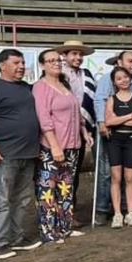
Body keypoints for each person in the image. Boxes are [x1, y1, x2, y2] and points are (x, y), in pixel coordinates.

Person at [0, 48, 42, 260]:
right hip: (4, 155)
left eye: (23, 62)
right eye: (16, 63)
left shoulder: (27, 88)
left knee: (22, 199)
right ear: (3, 65)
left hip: (28, 154)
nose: (21, 66)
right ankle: (1, 243)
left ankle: (17, 237)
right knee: (1, 200)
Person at [33, 49, 93, 243]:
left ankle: (65, 227)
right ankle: (48, 231)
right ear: (42, 65)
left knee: (66, 188)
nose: (56, 63)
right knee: (48, 189)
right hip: (52, 147)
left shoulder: (64, 85)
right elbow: (44, 119)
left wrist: (84, 133)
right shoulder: (40, 87)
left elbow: (76, 113)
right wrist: (54, 145)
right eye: (50, 61)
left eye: (57, 60)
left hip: (73, 145)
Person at [93, 50, 132, 225]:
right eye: (130, 61)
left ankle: (128, 208)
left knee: (129, 173)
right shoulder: (107, 79)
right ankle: (103, 209)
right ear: (119, 62)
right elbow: (100, 101)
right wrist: (102, 123)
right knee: (108, 172)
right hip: (111, 132)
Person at [53, 40, 96, 224]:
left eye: (80, 55)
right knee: (56, 173)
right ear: (65, 56)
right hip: (59, 130)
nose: (78, 58)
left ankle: (69, 212)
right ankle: (53, 213)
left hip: (80, 128)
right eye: (74, 54)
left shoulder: (87, 75)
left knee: (73, 173)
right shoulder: (56, 75)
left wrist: (86, 128)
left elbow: (89, 102)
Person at [105, 67, 132, 228]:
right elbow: (108, 122)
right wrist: (130, 116)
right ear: (115, 82)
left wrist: (118, 119)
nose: (123, 80)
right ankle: (117, 214)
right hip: (115, 141)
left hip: (131, 140)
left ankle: (130, 212)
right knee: (116, 177)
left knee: (129, 177)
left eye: (125, 77)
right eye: (119, 78)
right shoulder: (111, 100)